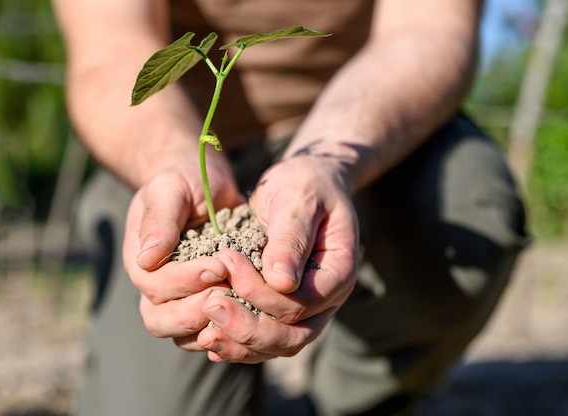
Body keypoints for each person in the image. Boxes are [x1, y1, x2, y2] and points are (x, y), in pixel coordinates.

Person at [52, 0, 529, 415]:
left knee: (468, 209)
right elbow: (108, 50)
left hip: (360, 133)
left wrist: (326, 162)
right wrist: (172, 163)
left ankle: (365, 399)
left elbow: (429, 30)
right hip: (168, 141)